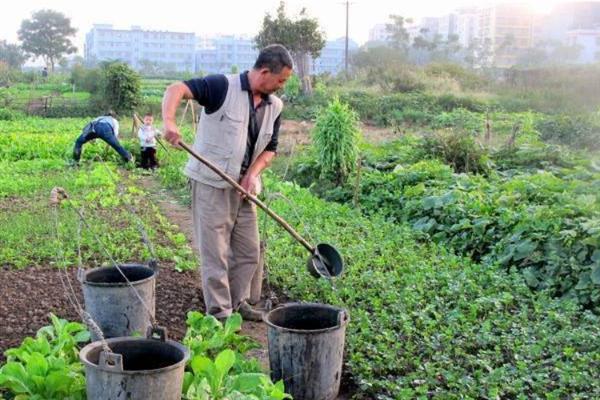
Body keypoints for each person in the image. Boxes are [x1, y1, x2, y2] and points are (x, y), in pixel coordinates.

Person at [162, 44, 293, 321]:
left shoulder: (275, 106)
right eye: (280, 80)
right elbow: (177, 89)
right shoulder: (222, 86)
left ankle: (236, 303)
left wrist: (252, 174)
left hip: (245, 190)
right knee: (216, 254)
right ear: (265, 71)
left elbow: (271, 148)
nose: (282, 86)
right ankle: (220, 314)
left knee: (248, 252)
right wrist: (170, 122)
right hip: (211, 184)